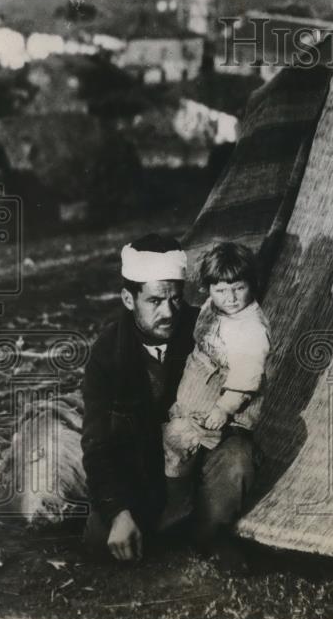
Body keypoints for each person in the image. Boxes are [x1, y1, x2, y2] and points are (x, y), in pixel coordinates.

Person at [80, 234, 258, 564]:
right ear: (128, 299)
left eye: (176, 299)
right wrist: (117, 511)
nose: (169, 312)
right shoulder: (107, 353)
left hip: (202, 458)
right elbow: (97, 444)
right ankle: (158, 527)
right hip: (142, 473)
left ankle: (208, 533)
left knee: (237, 458)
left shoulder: (206, 328)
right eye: (155, 301)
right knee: (98, 541)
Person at [158, 242, 272, 529]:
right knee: (174, 438)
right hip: (196, 389)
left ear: (251, 284)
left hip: (220, 402)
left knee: (177, 438)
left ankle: (179, 503)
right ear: (208, 290)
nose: (231, 298)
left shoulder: (251, 330)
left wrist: (224, 408)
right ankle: (176, 490)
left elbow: (246, 379)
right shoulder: (215, 307)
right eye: (221, 290)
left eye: (239, 288)